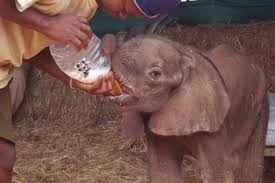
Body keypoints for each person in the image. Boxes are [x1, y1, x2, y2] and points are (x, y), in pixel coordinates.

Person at [0, 0, 180, 182]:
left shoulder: (85, 10)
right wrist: (48, 24)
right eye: (126, 7)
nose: (123, 16)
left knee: (4, 158)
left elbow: (31, 45)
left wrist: (77, 82)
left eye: (130, 15)